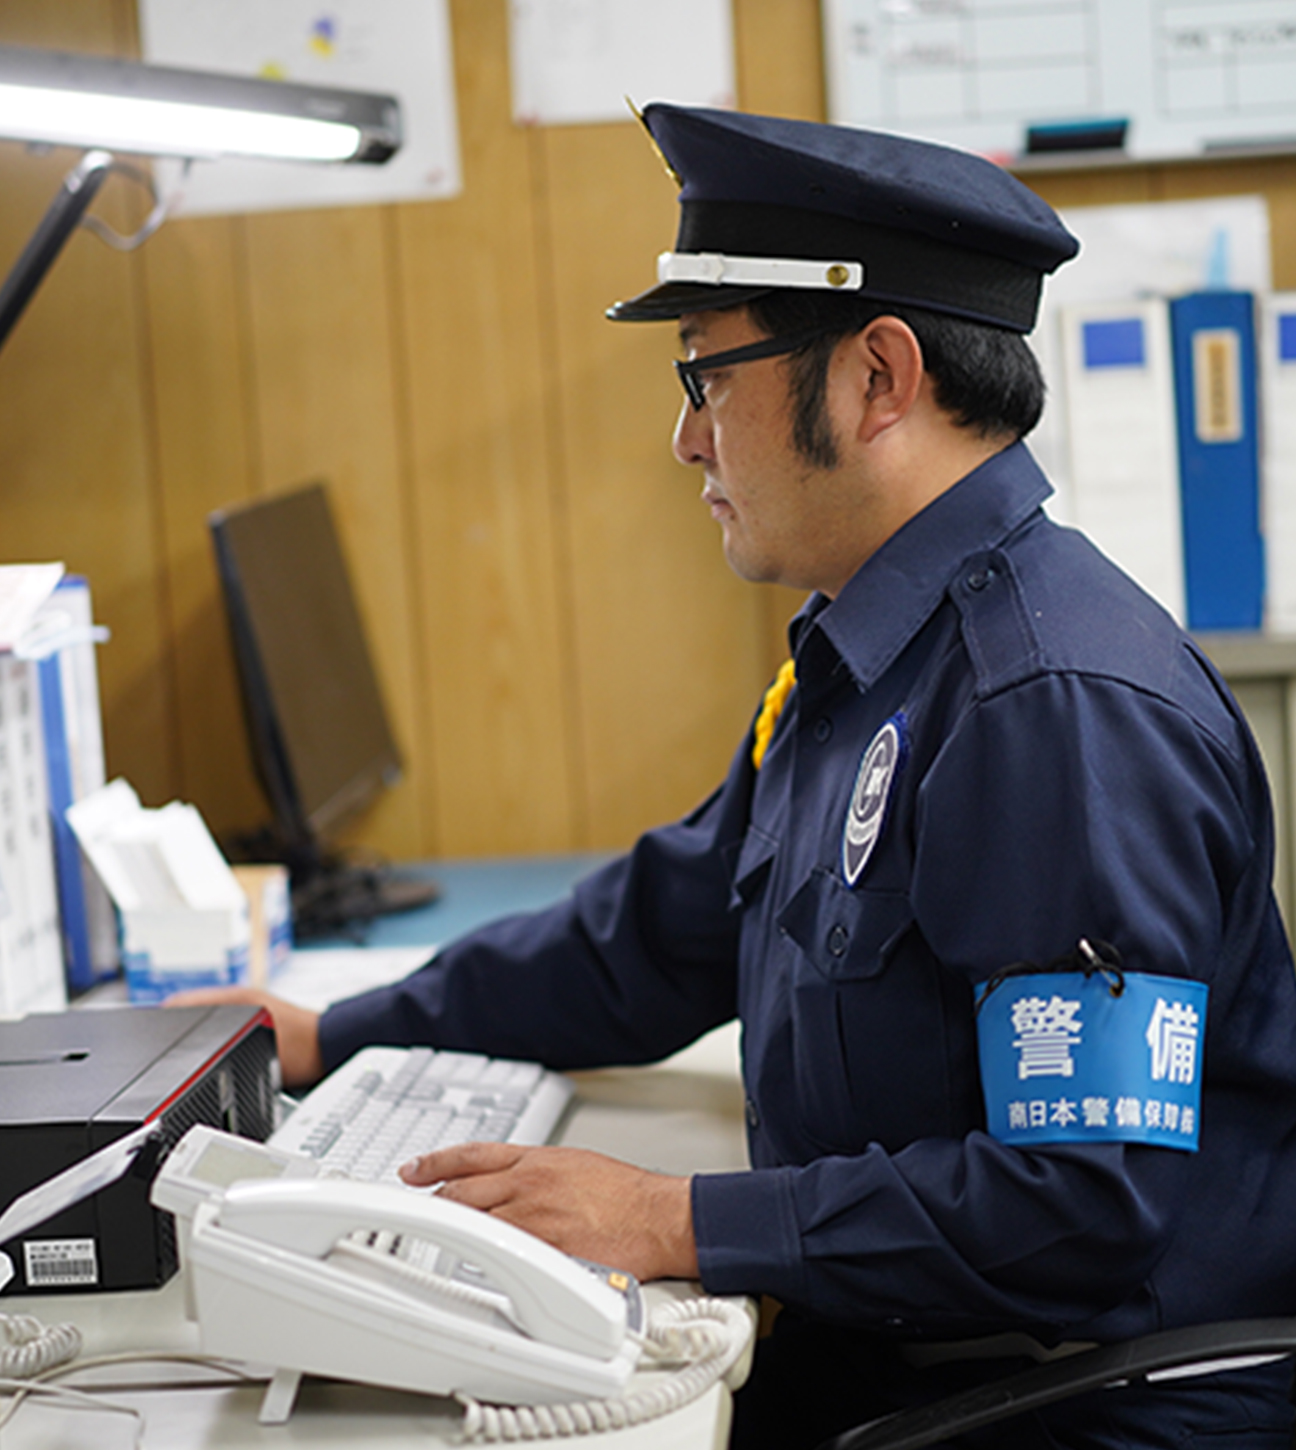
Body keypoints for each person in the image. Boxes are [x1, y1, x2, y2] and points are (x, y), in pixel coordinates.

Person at [175, 107, 1296, 1447]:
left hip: (1082, 1398)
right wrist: (342, 1029)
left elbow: (1079, 1198)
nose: (687, 440)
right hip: (934, 1351)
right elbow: (664, 930)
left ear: (877, 378)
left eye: (706, 375)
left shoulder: (1047, 706)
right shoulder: (868, 651)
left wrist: (668, 1218)